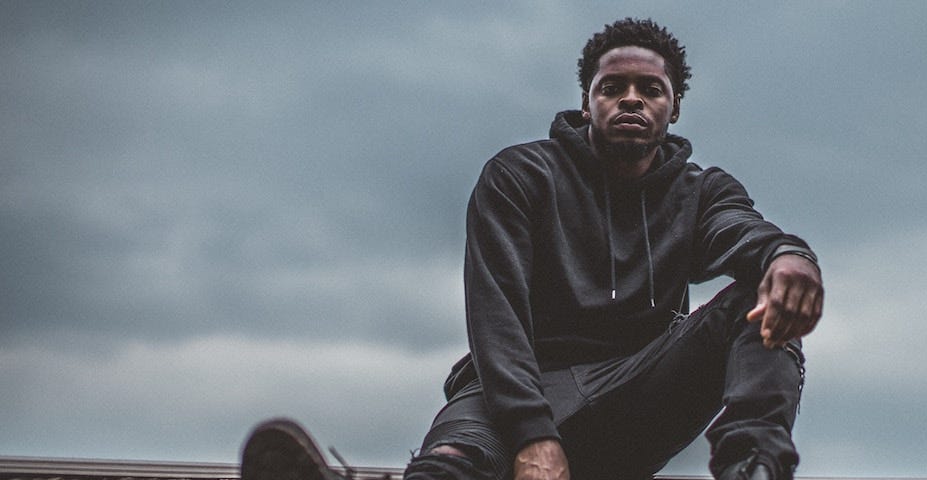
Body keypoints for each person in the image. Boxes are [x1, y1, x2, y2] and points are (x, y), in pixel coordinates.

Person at [241, 17, 823, 480]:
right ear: (587, 99)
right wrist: (533, 435)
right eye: (611, 87)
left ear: (673, 109)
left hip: (634, 392)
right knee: (452, 466)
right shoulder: (521, 175)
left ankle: (755, 467)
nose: (630, 100)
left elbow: (745, 233)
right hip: (514, 387)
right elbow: (497, 317)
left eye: (651, 90)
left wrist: (789, 259)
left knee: (763, 298)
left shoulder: (701, 191)